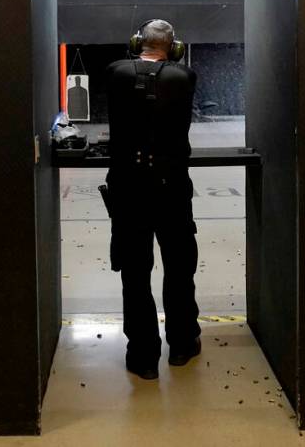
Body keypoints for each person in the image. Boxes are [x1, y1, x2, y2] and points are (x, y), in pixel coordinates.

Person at [105, 19, 201, 380]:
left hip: (129, 188)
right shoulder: (183, 76)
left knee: (134, 272)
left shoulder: (115, 72)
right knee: (179, 268)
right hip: (172, 188)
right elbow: (166, 81)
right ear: (173, 47)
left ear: (135, 44)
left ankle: (143, 356)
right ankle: (182, 344)